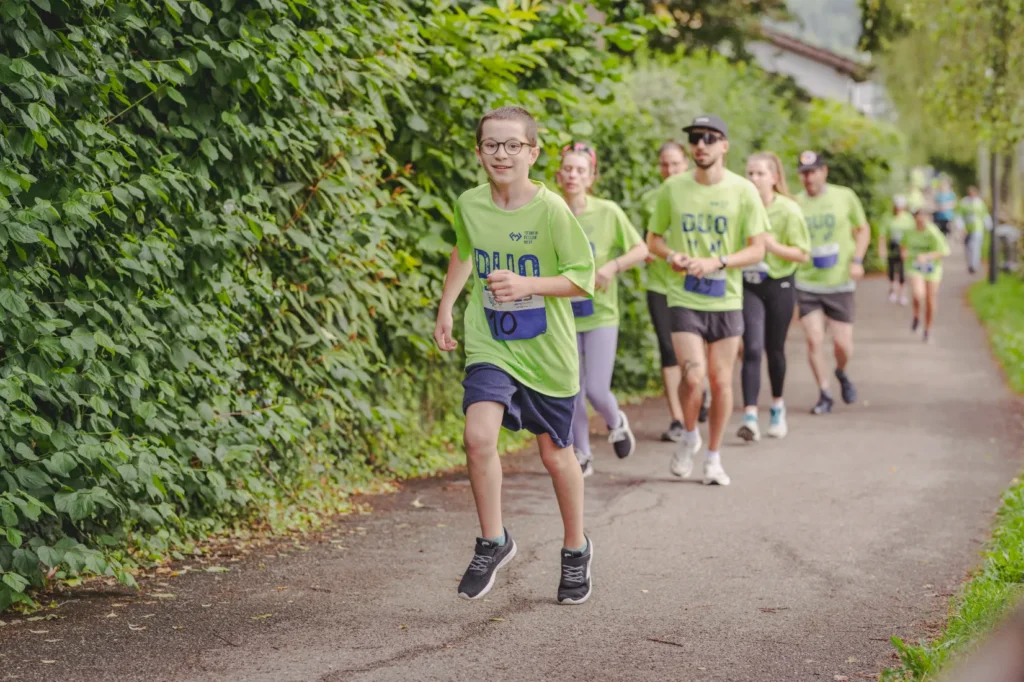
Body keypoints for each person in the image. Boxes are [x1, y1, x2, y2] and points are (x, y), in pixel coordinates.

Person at [433, 106, 595, 604]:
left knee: (555, 455)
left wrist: (527, 283)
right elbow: (465, 249)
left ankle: (575, 549)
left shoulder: (551, 210)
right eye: (490, 145)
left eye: (512, 145)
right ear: (479, 151)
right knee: (477, 436)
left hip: (547, 353)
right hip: (491, 341)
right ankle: (493, 540)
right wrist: (446, 307)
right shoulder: (470, 203)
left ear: (533, 152)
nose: (500, 155)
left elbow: (581, 278)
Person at [647, 114, 769, 486]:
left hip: (726, 298)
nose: (700, 144)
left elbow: (758, 250)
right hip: (683, 295)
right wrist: (673, 257)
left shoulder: (743, 190)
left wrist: (718, 261)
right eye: (695, 138)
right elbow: (653, 240)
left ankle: (713, 458)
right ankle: (689, 435)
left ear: (724, 145)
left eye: (709, 138)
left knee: (720, 381)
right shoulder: (673, 188)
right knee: (694, 377)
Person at [558, 142, 648, 477]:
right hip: (563, 314)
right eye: (568, 168)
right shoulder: (552, 210)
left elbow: (641, 249)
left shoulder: (608, 212)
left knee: (595, 387)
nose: (573, 175)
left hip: (601, 316)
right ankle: (581, 454)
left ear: (591, 176)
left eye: (580, 170)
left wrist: (611, 267)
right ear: (559, 173)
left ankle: (616, 420)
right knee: (572, 390)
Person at [737, 152, 810, 442]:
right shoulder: (741, 207)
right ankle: (750, 416)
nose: (754, 179)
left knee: (774, 348)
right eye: (750, 173)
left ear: (774, 178)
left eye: (760, 174)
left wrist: (774, 246)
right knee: (751, 347)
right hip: (749, 284)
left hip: (780, 284)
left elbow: (803, 253)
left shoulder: (789, 210)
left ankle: (777, 406)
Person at [793, 151, 871, 415]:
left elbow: (863, 229)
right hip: (807, 282)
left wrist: (857, 260)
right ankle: (824, 393)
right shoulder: (795, 203)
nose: (808, 177)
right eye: (803, 173)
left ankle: (841, 371)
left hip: (839, 281)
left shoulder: (844, 196)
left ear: (824, 171)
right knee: (814, 340)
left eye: (813, 171)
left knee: (842, 345)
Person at [643, 142, 709, 443]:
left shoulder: (701, 194)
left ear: (687, 164)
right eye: (665, 164)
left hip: (696, 283)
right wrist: (652, 253)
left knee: (700, 346)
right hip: (661, 285)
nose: (670, 170)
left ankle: (698, 390)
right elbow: (645, 241)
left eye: (676, 164)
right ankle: (677, 419)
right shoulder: (651, 199)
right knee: (668, 351)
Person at [902, 206, 950, 343]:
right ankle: (916, 315)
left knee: (930, 300)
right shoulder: (909, 232)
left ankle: (928, 330)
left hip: (932, 269)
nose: (921, 220)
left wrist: (928, 256)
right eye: (918, 217)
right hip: (915, 267)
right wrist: (904, 252)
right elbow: (903, 244)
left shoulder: (933, 232)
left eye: (924, 217)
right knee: (918, 294)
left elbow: (945, 251)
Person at [878, 195, 914, 304]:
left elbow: (912, 234)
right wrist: (882, 249)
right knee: (892, 270)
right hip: (892, 247)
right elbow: (882, 235)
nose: (898, 210)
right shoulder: (887, 217)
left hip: (904, 247)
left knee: (903, 271)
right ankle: (893, 290)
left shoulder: (908, 218)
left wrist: (908, 249)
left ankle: (903, 294)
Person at [959, 186, 988, 275]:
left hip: (977, 229)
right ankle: (970, 264)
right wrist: (961, 227)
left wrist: (988, 226)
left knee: (975, 246)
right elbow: (959, 216)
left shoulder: (979, 203)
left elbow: (985, 215)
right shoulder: (964, 202)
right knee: (968, 247)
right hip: (967, 229)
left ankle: (974, 265)